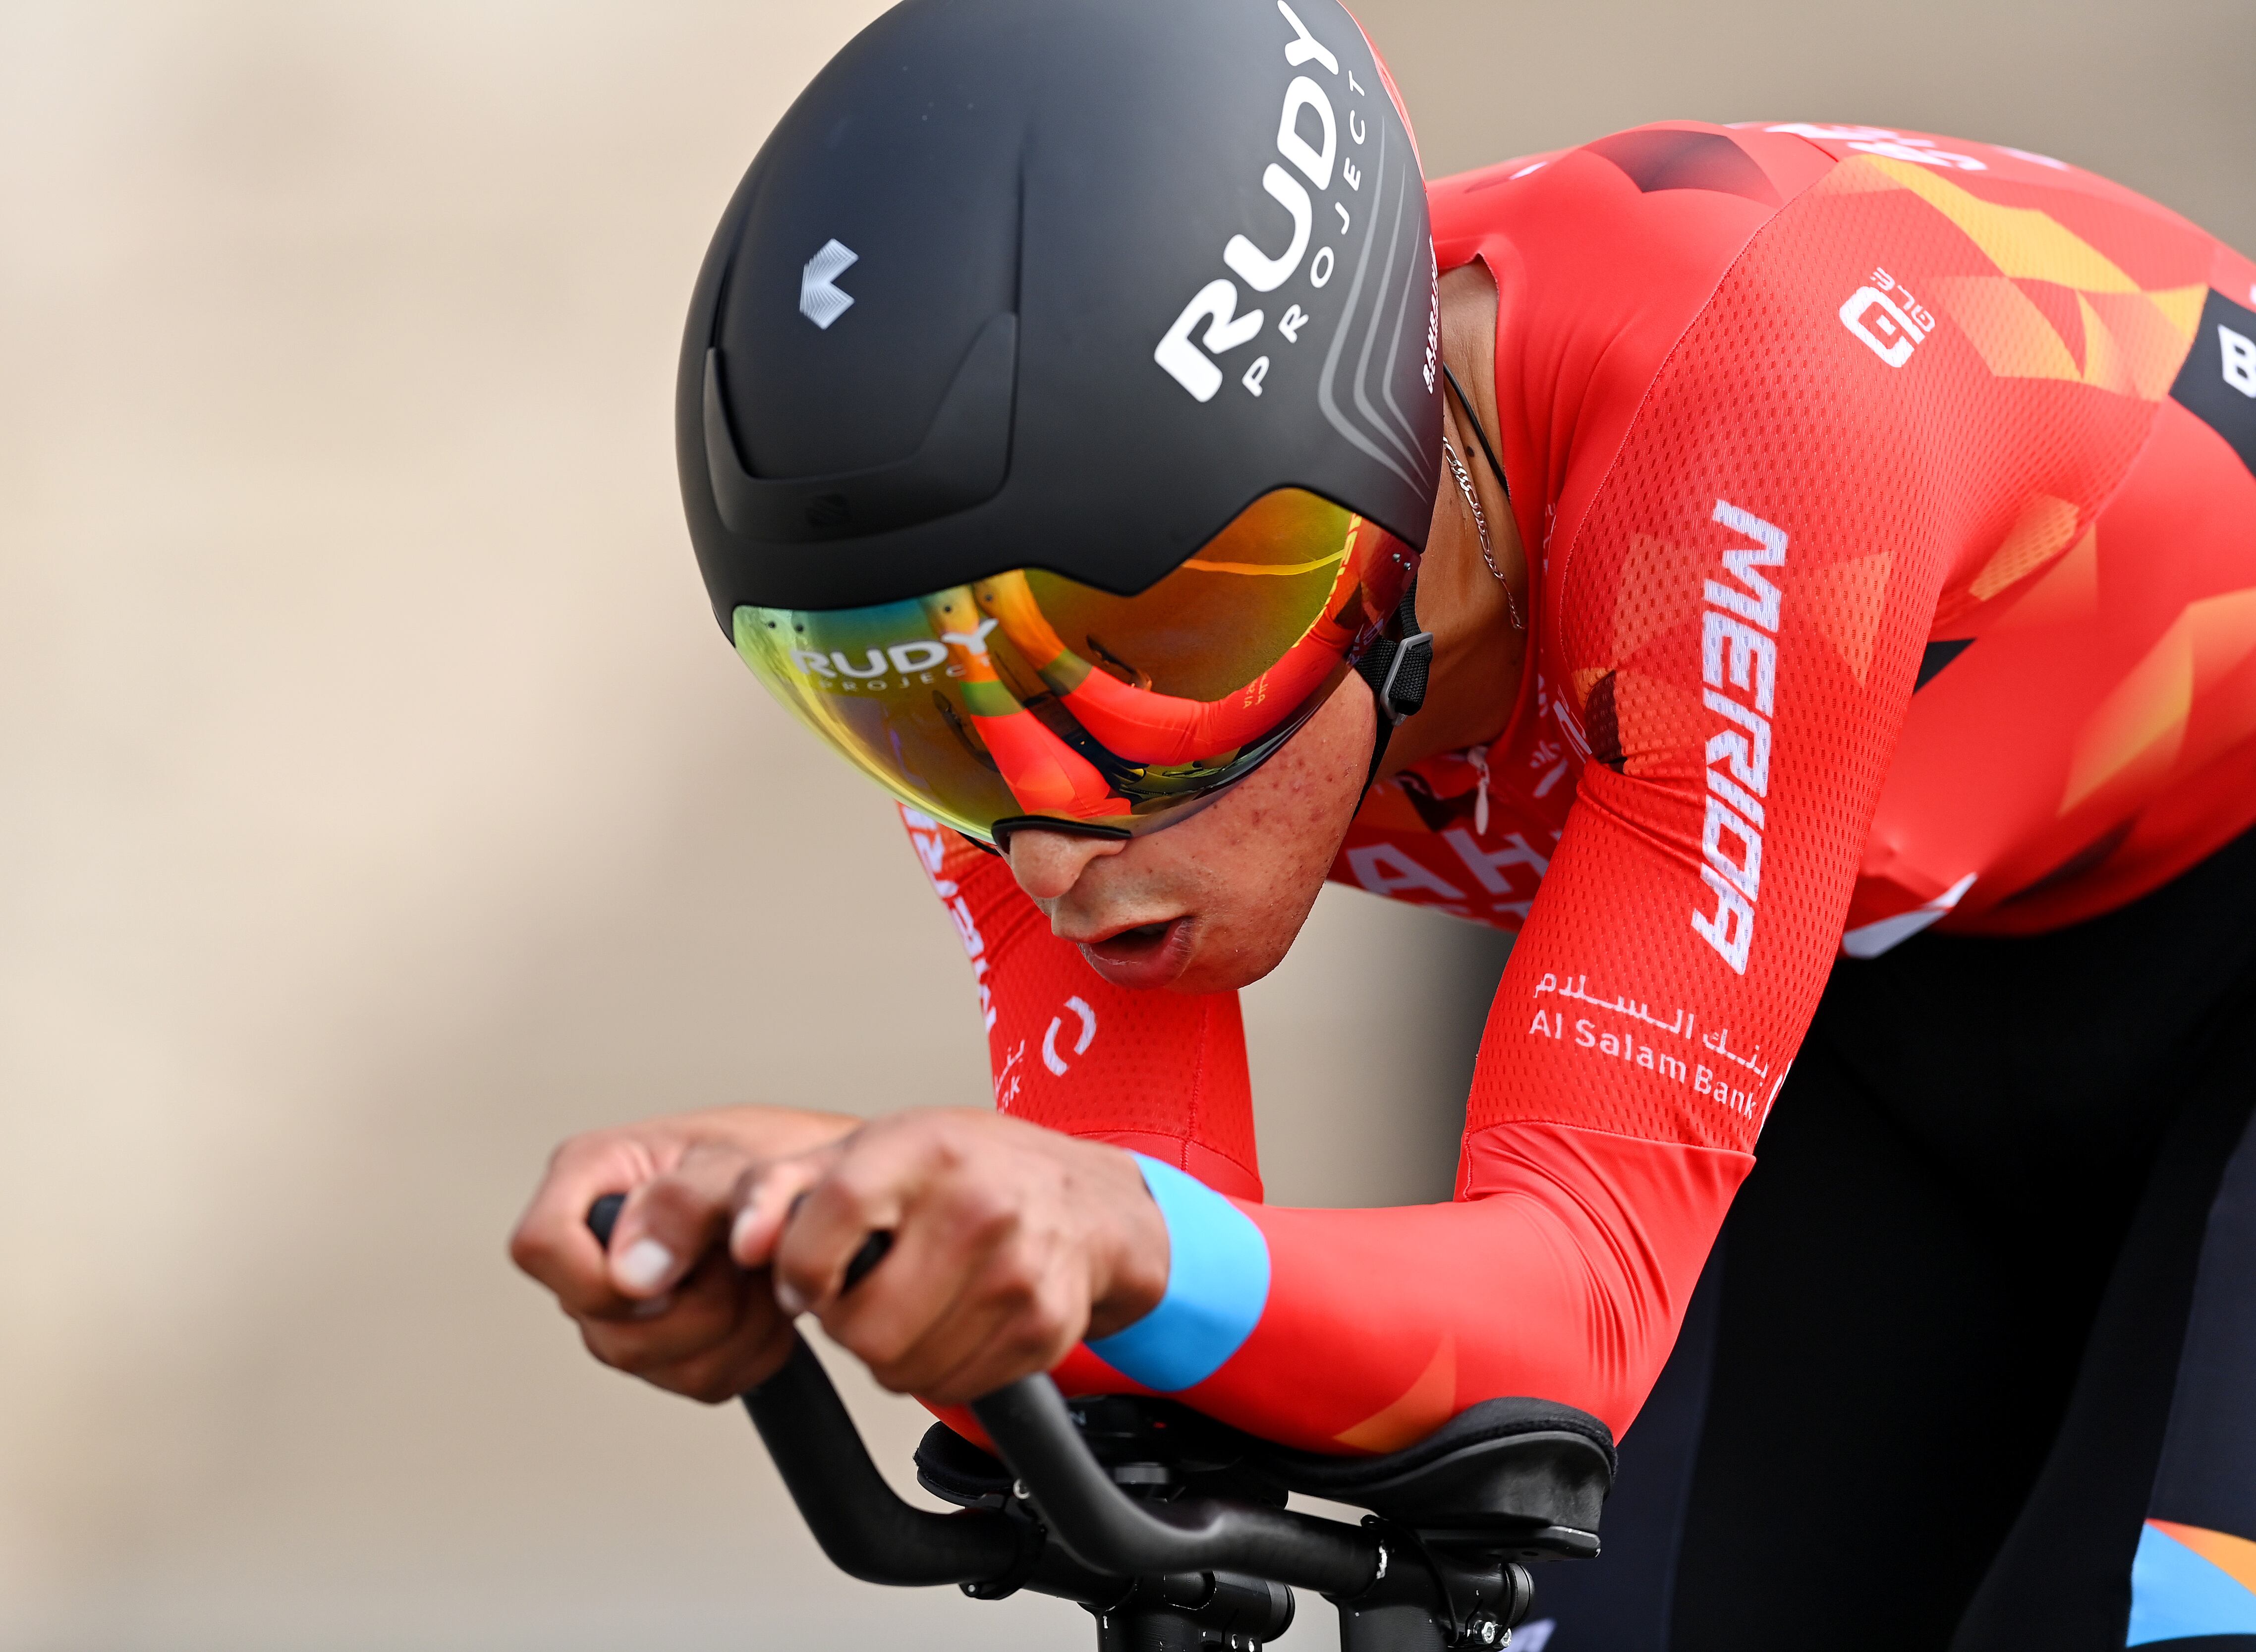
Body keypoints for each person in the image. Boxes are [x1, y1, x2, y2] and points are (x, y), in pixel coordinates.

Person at [508, 1, 2256, 1646]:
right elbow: (1146, 1289)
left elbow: (1559, 1315)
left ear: (1378, 515)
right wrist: (816, 1216)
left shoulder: (1760, 416)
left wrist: (1098, 1237)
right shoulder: (1022, 665)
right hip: (1906, 974)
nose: (1050, 848)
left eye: (1148, 655)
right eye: (888, 709)